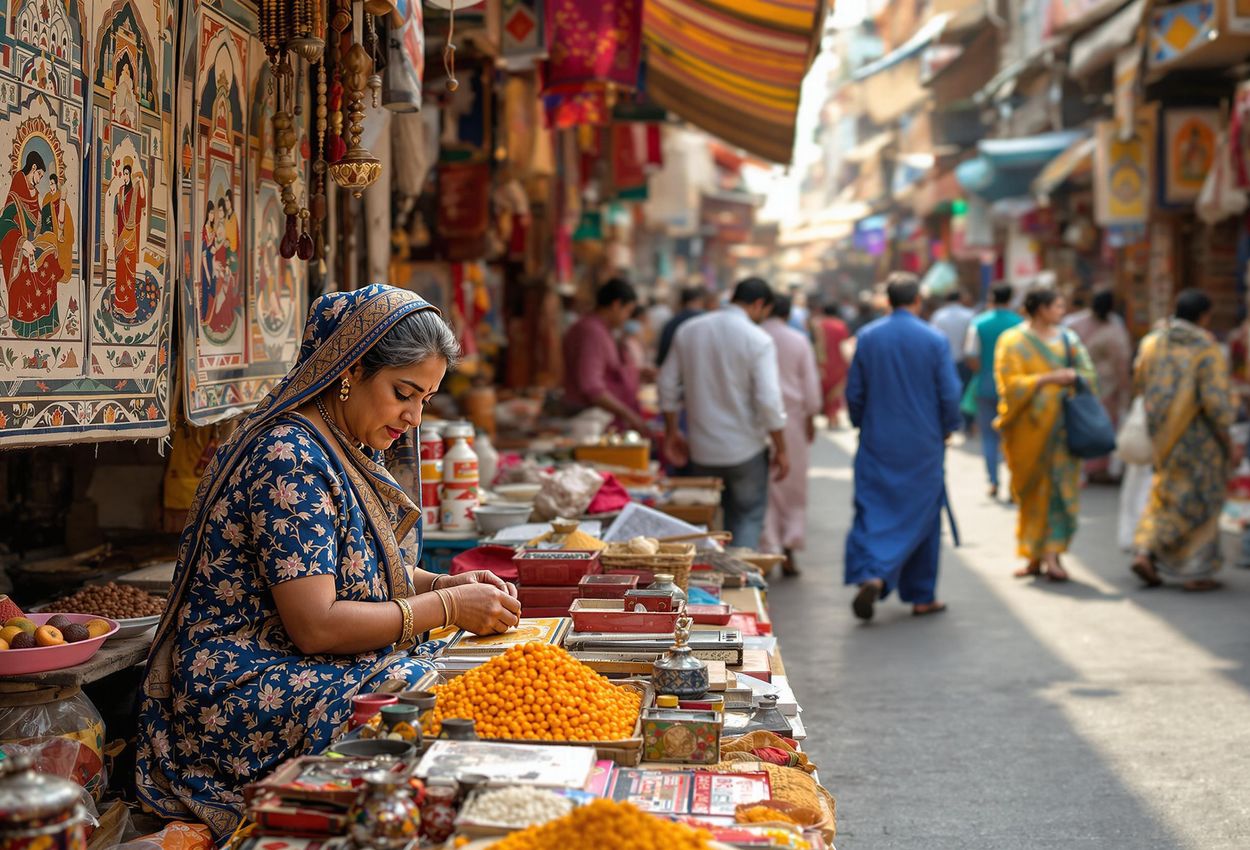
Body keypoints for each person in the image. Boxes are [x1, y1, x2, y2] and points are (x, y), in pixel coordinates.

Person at [136, 285, 522, 839]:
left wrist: (445, 584)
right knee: (416, 693)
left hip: (296, 657)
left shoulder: (342, 445)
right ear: (349, 370)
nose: (413, 416)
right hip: (243, 681)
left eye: (425, 400)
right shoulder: (288, 456)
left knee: (469, 672)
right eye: (403, 393)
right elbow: (315, 625)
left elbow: (357, 570)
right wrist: (448, 605)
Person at [844, 273, 962, 621]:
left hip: (878, 438)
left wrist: (861, 423)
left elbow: (855, 393)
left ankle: (872, 574)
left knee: (873, 508)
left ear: (888, 302)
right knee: (924, 514)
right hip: (923, 442)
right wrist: (948, 427)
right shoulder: (934, 339)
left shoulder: (867, 337)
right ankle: (922, 595)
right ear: (917, 301)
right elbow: (950, 393)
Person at [659, 277, 788, 550]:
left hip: (702, 451)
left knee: (703, 524)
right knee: (747, 518)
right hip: (746, 451)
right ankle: (739, 581)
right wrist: (781, 448)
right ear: (759, 305)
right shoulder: (758, 339)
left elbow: (666, 384)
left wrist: (672, 431)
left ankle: (706, 585)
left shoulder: (690, 330)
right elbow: (769, 401)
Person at [1130, 290, 1235, 591]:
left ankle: (1145, 551)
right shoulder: (1206, 348)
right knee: (1200, 502)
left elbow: (1139, 382)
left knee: (1165, 495)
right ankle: (1196, 572)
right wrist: (1228, 438)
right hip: (1200, 441)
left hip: (1162, 436)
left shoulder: (1152, 342)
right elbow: (1216, 403)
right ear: (1203, 316)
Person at [995, 288, 1097, 582]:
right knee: (1032, 493)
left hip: (1064, 430)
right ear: (1040, 309)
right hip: (1028, 430)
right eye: (1057, 306)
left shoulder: (1069, 340)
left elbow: (1089, 376)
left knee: (1059, 491)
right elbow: (1009, 384)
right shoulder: (1012, 342)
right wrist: (1048, 379)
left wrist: (1075, 377)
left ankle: (1052, 554)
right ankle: (1032, 555)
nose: (1062, 311)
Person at [760, 294, 821, 575]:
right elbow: (811, 389)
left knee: (766, 487)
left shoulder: (755, 336)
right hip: (793, 422)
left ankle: (767, 549)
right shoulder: (798, 340)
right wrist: (811, 416)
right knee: (793, 487)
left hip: (759, 422)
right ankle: (789, 547)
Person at [561, 278, 649, 433]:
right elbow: (591, 387)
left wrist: (639, 373)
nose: (628, 318)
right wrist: (629, 415)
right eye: (627, 311)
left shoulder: (599, 329)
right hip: (590, 421)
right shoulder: (591, 332)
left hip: (598, 419)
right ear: (616, 305)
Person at [1067, 289, 1133, 482]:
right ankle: (1098, 468)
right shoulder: (1115, 328)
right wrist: (1125, 389)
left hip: (1078, 383)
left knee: (1082, 423)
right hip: (1106, 387)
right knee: (1103, 425)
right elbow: (1122, 362)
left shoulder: (1073, 324)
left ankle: (1085, 468)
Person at [965, 283, 1023, 499]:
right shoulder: (1020, 325)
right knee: (1013, 436)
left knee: (989, 436)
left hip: (985, 386)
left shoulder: (978, 323)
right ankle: (1013, 484)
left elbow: (971, 356)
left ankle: (993, 481)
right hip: (1013, 386)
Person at [930, 290, 976, 431]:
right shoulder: (969, 315)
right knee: (965, 389)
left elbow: (933, 338)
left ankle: (949, 419)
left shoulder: (938, 316)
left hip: (944, 359)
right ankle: (966, 422)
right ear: (960, 298)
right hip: (964, 359)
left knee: (946, 390)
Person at [813, 303, 851, 426]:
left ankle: (829, 416)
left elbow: (816, 345)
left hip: (823, 363)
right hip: (838, 363)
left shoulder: (818, 326)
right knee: (835, 391)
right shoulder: (840, 326)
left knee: (825, 388)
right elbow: (844, 346)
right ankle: (832, 417)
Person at [656, 286, 704, 367]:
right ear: (698, 301)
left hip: (674, 371)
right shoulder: (703, 319)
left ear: (681, 302)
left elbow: (662, 355)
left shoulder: (670, 323)